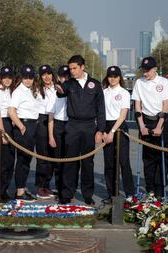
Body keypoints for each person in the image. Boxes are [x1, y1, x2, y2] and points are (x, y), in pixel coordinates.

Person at [56, 55, 106, 205]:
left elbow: (101, 109)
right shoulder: (69, 84)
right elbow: (61, 92)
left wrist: (100, 130)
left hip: (90, 126)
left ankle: (87, 195)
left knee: (87, 162)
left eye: (74, 68)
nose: (72, 71)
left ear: (82, 67)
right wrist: (59, 89)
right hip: (72, 126)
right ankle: (66, 194)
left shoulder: (95, 84)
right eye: (70, 68)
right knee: (70, 161)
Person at [132, 56, 168, 197]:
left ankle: (160, 189)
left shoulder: (164, 82)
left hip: (160, 121)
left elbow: (165, 106)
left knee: (161, 157)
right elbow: (137, 106)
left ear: (155, 69)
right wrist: (142, 126)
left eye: (148, 71)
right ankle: (149, 189)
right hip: (146, 121)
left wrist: (159, 127)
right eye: (143, 70)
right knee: (148, 158)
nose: (145, 74)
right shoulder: (139, 83)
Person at [101, 66, 135, 204]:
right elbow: (100, 113)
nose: (112, 79)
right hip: (106, 126)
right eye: (110, 76)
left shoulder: (124, 93)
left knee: (123, 162)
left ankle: (130, 194)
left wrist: (112, 132)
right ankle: (112, 194)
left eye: (115, 76)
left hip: (119, 128)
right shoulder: (103, 92)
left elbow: (123, 115)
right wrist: (103, 130)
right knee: (109, 163)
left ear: (119, 77)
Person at [8, 64, 39, 202]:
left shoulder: (30, 90)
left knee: (27, 160)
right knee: (22, 160)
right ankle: (19, 191)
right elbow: (11, 110)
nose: (28, 80)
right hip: (24, 126)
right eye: (25, 77)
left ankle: (22, 187)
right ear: (21, 77)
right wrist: (21, 126)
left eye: (30, 77)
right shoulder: (19, 91)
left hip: (32, 126)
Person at [0, 66, 16, 201]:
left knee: (9, 161)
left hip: (8, 124)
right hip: (1, 126)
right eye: (5, 77)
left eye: (10, 77)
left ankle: (4, 189)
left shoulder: (8, 91)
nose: (7, 80)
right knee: (2, 163)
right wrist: (2, 132)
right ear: (1, 78)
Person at [48, 65, 71, 199]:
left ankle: (69, 188)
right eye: (62, 76)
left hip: (71, 126)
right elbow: (51, 116)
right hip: (58, 126)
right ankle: (59, 187)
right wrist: (51, 136)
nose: (64, 79)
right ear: (58, 77)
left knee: (70, 160)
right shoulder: (53, 93)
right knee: (58, 160)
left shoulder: (73, 89)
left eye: (67, 76)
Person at [35, 65, 56, 199]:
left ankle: (47, 184)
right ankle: (40, 186)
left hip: (55, 121)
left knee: (52, 156)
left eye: (49, 74)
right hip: (42, 121)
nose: (47, 77)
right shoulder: (36, 90)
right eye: (43, 74)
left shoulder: (57, 88)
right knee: (42, 156)